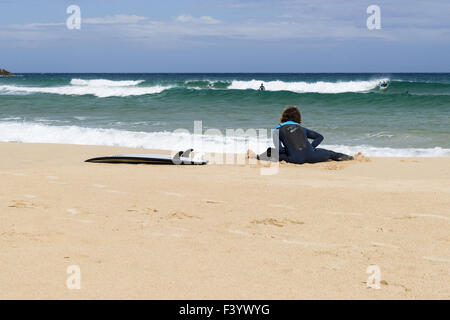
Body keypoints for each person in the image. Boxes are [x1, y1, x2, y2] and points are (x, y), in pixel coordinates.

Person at [248, 106, 353, 164]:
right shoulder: (302, 128)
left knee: (271, 151)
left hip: (295, 159)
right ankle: (349, 157)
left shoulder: (277, 129)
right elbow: (320, 137)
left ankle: (255, 157)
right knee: (330, 153)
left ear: (282, 118)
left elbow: (279, 149)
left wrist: (290, 149)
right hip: (312, 156)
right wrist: (309, 148)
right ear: (298, 119)